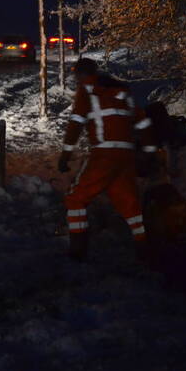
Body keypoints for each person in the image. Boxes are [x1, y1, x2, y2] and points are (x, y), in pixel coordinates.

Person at [58, 57, 157, 261]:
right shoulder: (122, 92)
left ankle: (78, 250)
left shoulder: (88, 90)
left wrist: (65, 156)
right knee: (129, 204)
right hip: (126, 155)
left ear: (80, 75)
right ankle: (145, 247)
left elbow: (76, 124)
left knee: (75, 198)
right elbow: (143, 123)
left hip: (104, 154)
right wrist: (149, 152)